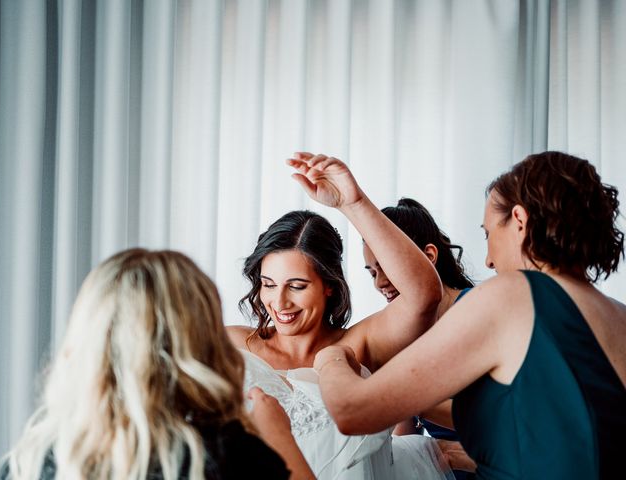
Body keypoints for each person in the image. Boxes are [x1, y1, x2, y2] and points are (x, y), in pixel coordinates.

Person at [313, 151, 626, 479]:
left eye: (489, 234)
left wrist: (331, 357)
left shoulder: (515, 296)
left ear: (519, 221)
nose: (489, 261)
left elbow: (352, 411)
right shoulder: (618, 317)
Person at [0, 248, 314, 480]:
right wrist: (281, 440)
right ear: (203, 342)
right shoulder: (231, 458)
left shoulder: (25, 464)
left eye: (296, 285)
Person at [228, 154, 455, 479]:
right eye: (268, 284)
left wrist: (354, 202)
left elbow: (423, 295)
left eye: (297, 286)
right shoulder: (230, 343)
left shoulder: (358, 347)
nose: (278, 302)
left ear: (329, 287)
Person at [364, 198, 477, 478]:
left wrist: (402, 397)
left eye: (386, 266)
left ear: (429, 255)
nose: (380, 283)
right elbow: (406, 436)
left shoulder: (478, 312)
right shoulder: (398, 334)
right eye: (372, 272)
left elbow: (503, 417)